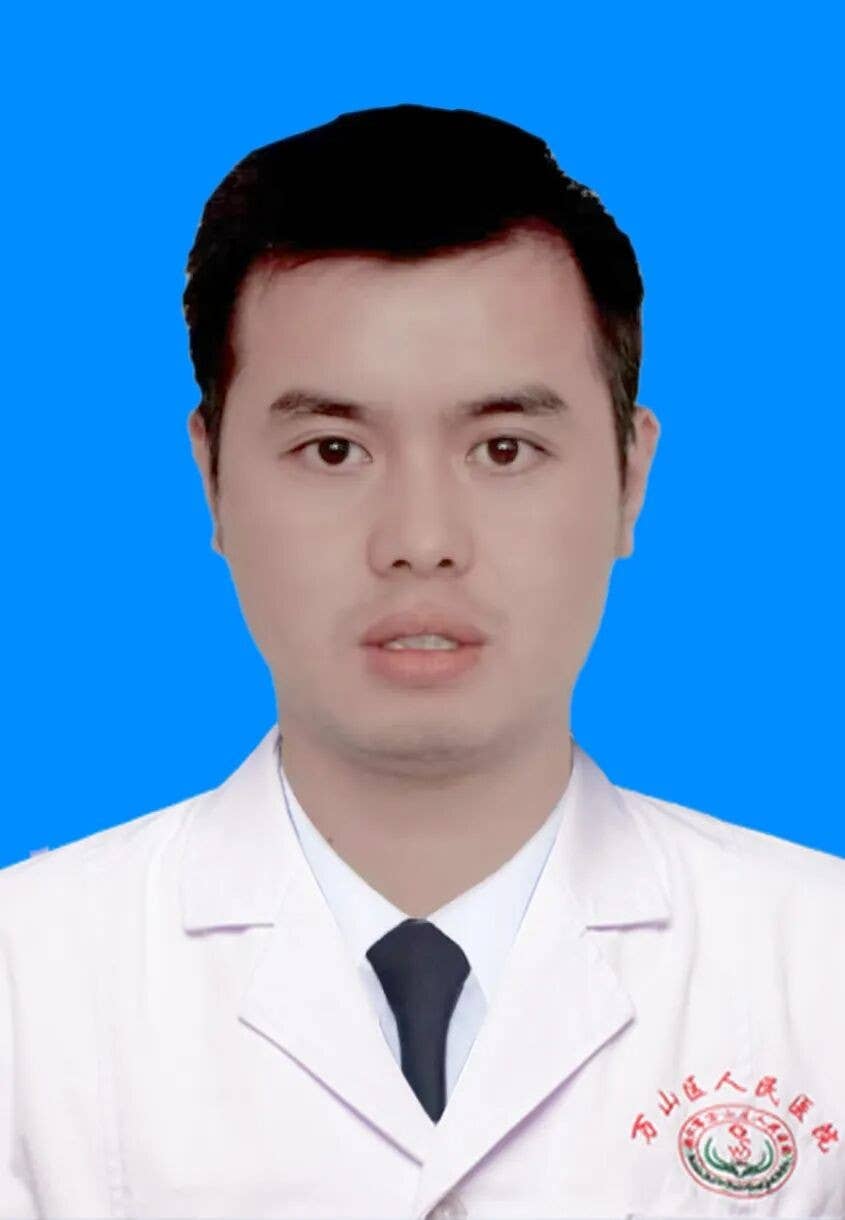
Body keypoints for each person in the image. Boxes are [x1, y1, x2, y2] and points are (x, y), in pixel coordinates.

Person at [1, 103, 842, 1220]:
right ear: (212, 478)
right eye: (331, 449)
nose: (419, 538)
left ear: (628, 478)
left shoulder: (819, 970)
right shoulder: (26, 985)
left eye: (503, 447)